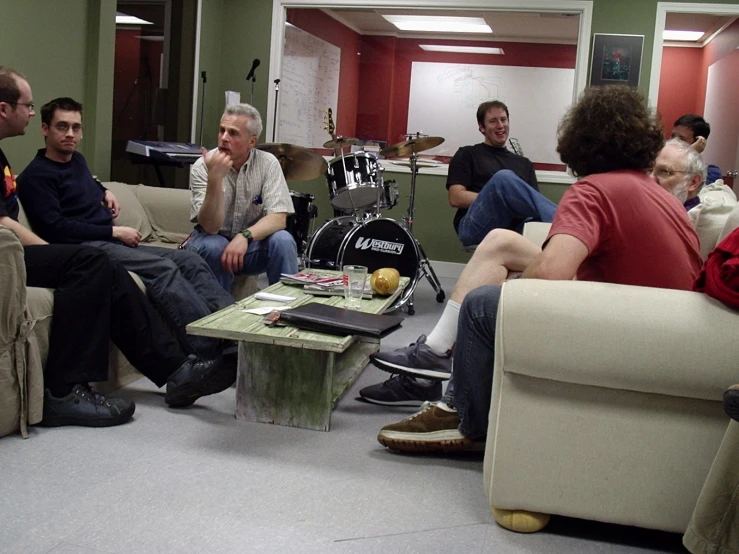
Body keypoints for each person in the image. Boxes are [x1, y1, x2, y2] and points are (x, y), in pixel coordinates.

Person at [376, 85, 703, 453]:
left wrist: (515, 283)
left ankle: (462, 415)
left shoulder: (594, 191)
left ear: (581, 139)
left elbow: (550, 276)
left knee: (483, 303)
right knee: (501, 241)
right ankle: (434, 353)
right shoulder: (662, 196)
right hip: (662, 330)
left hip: (620, 332)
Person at [0, 70, 225, 428]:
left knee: (142, 265)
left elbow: (78, 186)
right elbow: (6, 222)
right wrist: (57, 251)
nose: (28, 112)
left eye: (76, 127)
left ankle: (185, 367)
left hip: (51, 248)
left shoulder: (36, 160)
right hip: (29, 250)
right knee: (94, 261)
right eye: (26, 106)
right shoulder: (36, 175)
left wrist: (101, 189)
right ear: (5, 109)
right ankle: (64, 391)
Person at [185, 103, 298, 291]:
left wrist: (245, 237)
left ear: (252, 142)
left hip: (248, 246)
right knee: (216, 245)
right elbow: (210, 227)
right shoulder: (202, 166)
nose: (224, 138)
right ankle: (218, 314)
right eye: (222, 130)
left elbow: (278, 218)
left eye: (233, 133)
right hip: (208, 241)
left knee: (283, 240)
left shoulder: (268, 163)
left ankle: (289, 310)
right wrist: (215, 179)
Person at [447, 100, 557, 247]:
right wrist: (500, 198)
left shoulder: (524, 163)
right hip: (475, 227)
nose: (500, 126)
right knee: (503, 178)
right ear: (481, 127)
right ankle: (564, 220)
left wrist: (511, 202)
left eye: (503, 120)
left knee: (541, 226)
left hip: (515, 228)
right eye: (493, 121)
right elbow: (456, 197)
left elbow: (533, 206)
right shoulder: (467, 154)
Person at [672, 114, 722, 184]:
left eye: (681, 139)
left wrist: (691, 153)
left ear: (698, 142)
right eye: (673, 136)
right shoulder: (659, 159)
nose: (673, 141)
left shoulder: (711, 173)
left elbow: (681, 187)